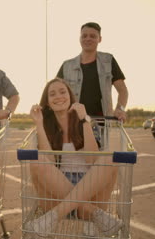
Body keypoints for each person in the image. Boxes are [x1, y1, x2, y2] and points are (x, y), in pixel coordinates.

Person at [27, 78, 123, 237]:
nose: (58, 96)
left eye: (63, 92)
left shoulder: (86, 122)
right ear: (48, 103)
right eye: (52, 94)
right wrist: (38, 123)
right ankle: (94, 214)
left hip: (90, 186)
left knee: (109, 158)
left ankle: (53, 217)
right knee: (37, 159)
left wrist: (84, 120)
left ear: (70, 97)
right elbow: (49, 162)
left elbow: (92, 160)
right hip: (56, 188)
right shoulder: (46, 126)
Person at [56, 22, 128, 121]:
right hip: (73, 122)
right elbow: (53, 90)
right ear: (80, 38)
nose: (88, 39)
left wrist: (120, 109)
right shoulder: (67, 66)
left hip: (101, 123)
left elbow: (122, 90)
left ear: (100, 39)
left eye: (93, 36)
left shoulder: (108, 61)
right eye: (84, 36)